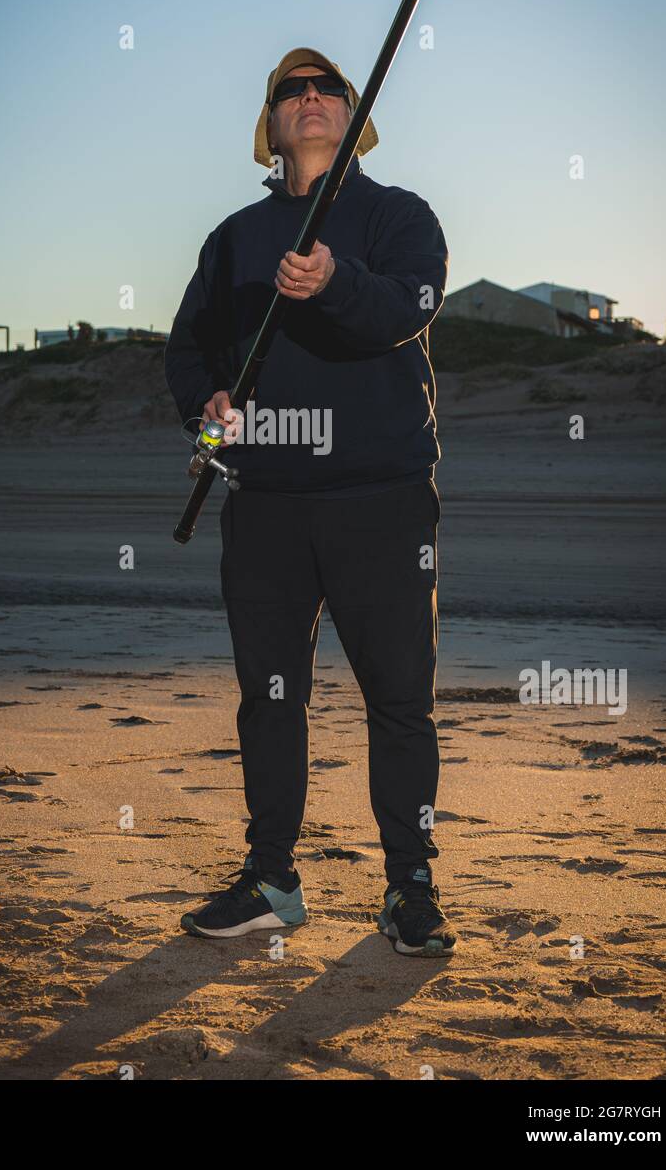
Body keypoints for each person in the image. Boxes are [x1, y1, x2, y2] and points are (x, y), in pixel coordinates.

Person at [164, 47, 455, 956]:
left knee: (399, 699)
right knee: (270, 697)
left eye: (329, 86)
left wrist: (335, 280)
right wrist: (206, 407)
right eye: (292, 90)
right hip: (267, 504)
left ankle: (409, 883)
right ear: (273, 123)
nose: (312, 97)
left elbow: (409, 306)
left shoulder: (399, 215)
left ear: (352, 114)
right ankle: (271, 880)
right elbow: (189, 349)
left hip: (381, 496)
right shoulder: (235, 237)